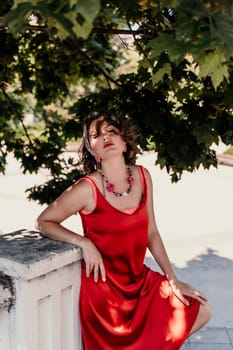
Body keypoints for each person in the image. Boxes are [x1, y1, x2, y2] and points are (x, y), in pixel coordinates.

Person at [36, 110, 211, 349]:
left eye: (111, 131)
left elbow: (151, 232)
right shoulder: (87, 189)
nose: (106, 137)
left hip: (140, 283)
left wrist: (173, 279)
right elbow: (44, 221)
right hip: (104, 297)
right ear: (92, 151)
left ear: (125, 142)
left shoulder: (142, 176)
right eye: (96, 135)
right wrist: (84, 242)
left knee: (200, 309)